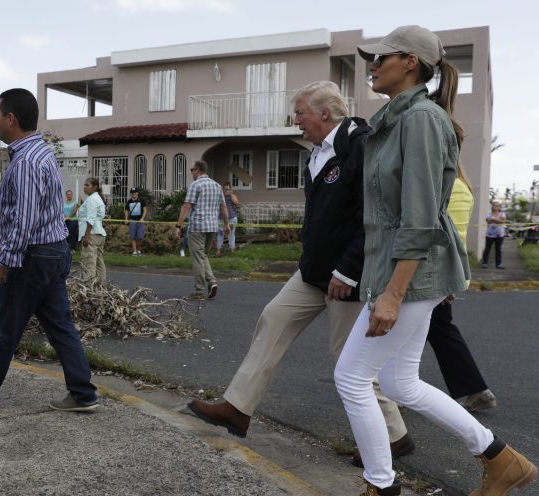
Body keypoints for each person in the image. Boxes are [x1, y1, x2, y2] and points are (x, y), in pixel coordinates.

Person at [334, 25, 536, 496]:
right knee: (400, 382)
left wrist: (394, 292)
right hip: (402, 271)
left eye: (381, 58)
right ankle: (501, 459)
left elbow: (421, 216)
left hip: (406, 275)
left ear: (410, 63)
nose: (372, 65)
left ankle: (380, 485)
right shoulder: (397, 118)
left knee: (352, 377)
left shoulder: (421, 119)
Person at [187, 82, 411, 465]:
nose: (295, 120)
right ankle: (238, 407)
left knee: (349, 358)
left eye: (300, 112)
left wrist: (349, 270)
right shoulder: (318, 152)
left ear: (324, 113)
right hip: (313, 272)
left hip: (348, 276)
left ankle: (394, 436)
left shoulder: (361, 146)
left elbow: (371, 218)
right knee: (273, 319)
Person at [0, 88, 98, 414]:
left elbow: (23, 219)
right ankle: (83, 393)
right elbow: (15, 201)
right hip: (53, 252)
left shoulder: (24, 162)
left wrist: (4, 260)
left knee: (2, 329)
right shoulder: (40, 153)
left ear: (11, 119)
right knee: (61, 327)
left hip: (32, 256)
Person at [427, 161, 496, 413]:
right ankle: (476, 390)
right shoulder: (463, 187)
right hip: (444, 273)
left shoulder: (449, 188)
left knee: (425, 331)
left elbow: (445, 237)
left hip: (436, 273)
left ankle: (393, 394)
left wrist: (446, 280)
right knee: (438, 330)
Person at [174, 160, 229, 300]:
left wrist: (178, 226)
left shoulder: (195, 185)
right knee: (203, 255)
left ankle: (199, 290)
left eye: (192, 169)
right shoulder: (217, 186)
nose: (191, 172)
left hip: (197, 226)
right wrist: (226, 224)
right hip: (212, 226)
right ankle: (212, 282)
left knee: (198, 258)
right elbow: (223, 207)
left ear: (197, 170)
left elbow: (187, 206)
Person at [78, 177, 107, 283]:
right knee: (99, 263)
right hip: (99, 234)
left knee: (89, 264)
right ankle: (101, 290)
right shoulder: (98, 198)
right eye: (84, 185)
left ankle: (89, 291)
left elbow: (90, 219)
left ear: (95, 187)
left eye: (87, 185)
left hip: (92, 234)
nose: (84, 187)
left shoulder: (91, 199)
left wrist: (86, 236)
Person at [215, 183, 240, 256]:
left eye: (227, 189)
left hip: (231, 218)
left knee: (231, 234)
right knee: (220, 234)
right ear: (222, 189)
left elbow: (237, 204)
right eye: (224, 189)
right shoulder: (219, 196)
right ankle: (218, 250)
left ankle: (231, 249)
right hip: (221, 218)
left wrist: (231, 195)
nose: (226, 191)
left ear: (230, 190)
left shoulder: (232, 196)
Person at [481, 200, 506, 269]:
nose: (495, 206)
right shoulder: (489, 213)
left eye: (497, 206)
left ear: (499, 207)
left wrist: (493, 219)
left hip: (499, 235)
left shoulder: (502, 213)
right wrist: (497, 220)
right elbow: (488, 220)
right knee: (487, 249)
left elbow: (502, 221)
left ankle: (498, 264)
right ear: (492, 206)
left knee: (498, 249)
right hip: (489, 235)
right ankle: (484, 263)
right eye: (494, 205)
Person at [125, 187, 147, 256]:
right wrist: (126, 219)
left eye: (134, 193)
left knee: (140, 237)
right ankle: (134, 251)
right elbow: (126, 210)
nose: (133, 194)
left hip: (140, 221)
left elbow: (145, 210)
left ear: (137, 193)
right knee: (133, 236)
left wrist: (142, 218)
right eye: (132, 193)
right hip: (132, 221)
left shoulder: (141, 200)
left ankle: (138, 249)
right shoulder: (129, 201)